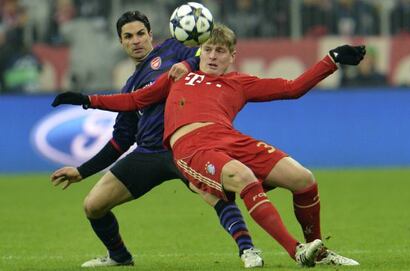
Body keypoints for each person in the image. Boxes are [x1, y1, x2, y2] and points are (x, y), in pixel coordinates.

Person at [52, 24, 365, 267]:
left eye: (221, 51)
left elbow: (293, 88)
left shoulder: (240, 82)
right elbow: (135, 100)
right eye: (209, 50)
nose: (214, 56)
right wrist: (87, 100)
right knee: (243, 177)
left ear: (232, 56)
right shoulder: (177, 76)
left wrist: (331, 60)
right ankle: (295, 250)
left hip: (230, 138)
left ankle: (317, 250)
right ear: (199, 52)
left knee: (304, 179)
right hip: (192, 146)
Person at [50, 12, 263, 268]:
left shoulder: (175, 48)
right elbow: (120, 141)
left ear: (151, 35)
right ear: (121, 42)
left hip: (185, 146)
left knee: (217, 196)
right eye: (128, 36)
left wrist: (187, 65)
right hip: (149, 153)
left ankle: (248, 250)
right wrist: (81, 171)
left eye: (141, 34)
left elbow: (203, 58)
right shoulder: (130, 87)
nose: (136, 41)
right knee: (93, 206)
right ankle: (119, 256)